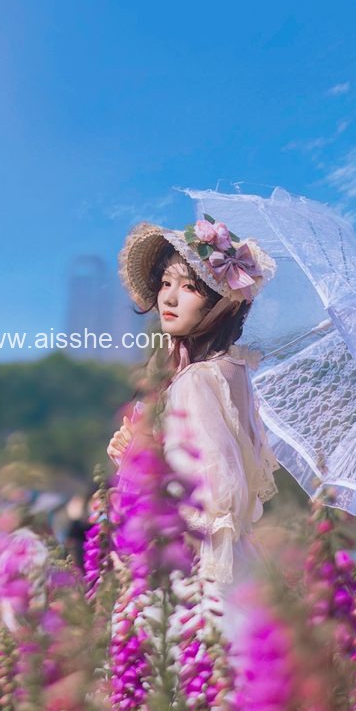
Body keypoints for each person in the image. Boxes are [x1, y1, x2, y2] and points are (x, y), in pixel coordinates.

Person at [104, 216, 281, 641]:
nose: (169, 296)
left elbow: (210, 498)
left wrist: (139, 460)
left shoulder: (197, 380)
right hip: (233, 566)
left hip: (190, 579)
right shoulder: (234, 370)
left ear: (221, 303)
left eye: (189, 287)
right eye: (166, 282)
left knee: (181, 675)